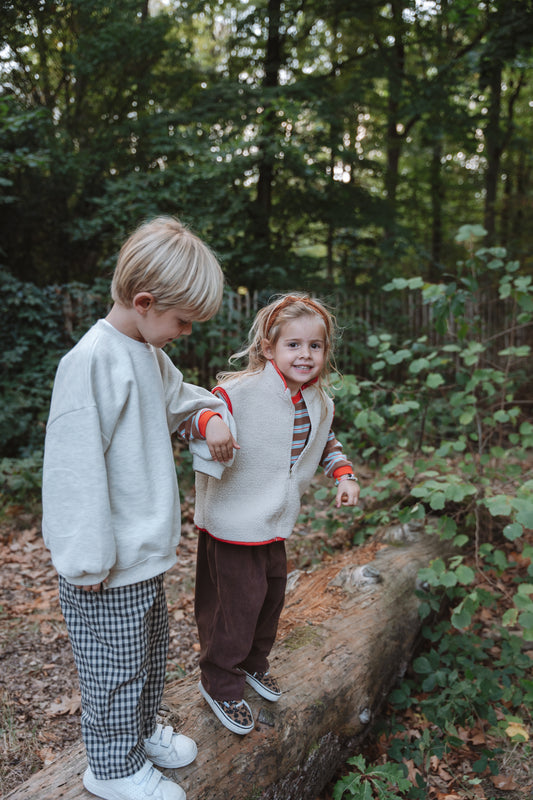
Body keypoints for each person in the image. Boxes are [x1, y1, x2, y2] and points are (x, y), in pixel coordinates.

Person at [42, 216, 238, 800]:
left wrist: (209, 415)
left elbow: (182, 402)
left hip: (144, 553)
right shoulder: (91, 362)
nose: (185, 332)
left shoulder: (148, 353)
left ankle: (140, 731)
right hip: (104, 565)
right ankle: (110, 766)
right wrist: (86, 560)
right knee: (113, 669)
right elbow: (71, 472)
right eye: (182, 321)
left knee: (150, 653)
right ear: (146, 302)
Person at [193, 293, 360, 735]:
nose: (305, 354)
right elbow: (194, 417)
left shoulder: (318, 401)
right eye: (293, 345)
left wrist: (343, 474)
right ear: (269, 348)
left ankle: (251, 663)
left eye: (315, 346)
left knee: (269, 598)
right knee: (234, 605)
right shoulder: (238, 393)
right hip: (232, 520)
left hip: (273, 523)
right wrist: (212, 427)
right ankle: (220, 681)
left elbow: (324, 441)